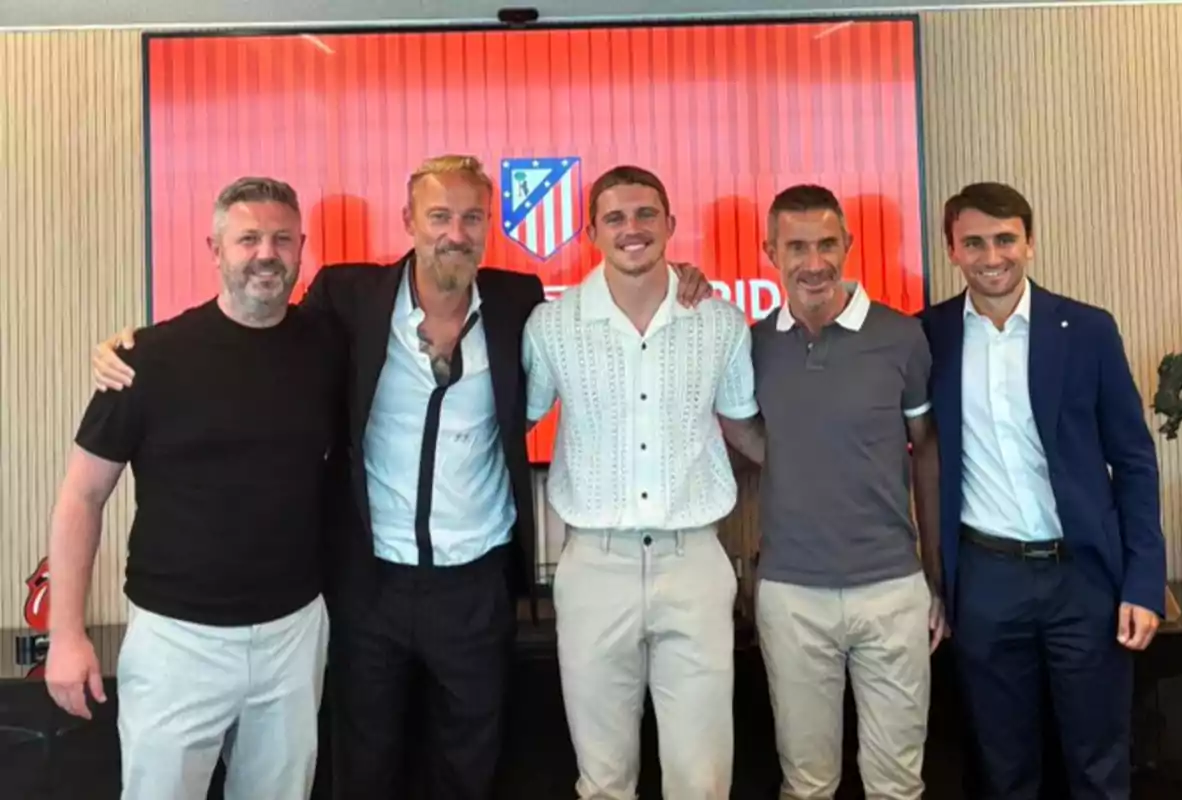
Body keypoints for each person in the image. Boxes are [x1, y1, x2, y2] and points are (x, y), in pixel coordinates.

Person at [89, 155, 712, 799]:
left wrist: (681, 279)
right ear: (408, 220)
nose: (456, 232)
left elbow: (612, 296)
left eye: (472, 217)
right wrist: (139, 345)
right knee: (364, 763)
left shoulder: (515, 299)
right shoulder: (348, 296)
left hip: (475, 585)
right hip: (369, 583)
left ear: (490, 224)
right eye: (439, 215)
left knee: (470, 764)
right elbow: (258, 327)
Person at [46, 177, 340, 800]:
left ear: (302, 248)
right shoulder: (146, 359)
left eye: (283, 238)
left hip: (293, 634)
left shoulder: (329, 346)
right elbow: (82, 495)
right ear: (214, 248)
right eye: (249, 238)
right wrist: (66, 634)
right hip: (177, 641)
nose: (267, 252)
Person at [920, 182, 1165, 799]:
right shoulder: (929, 336)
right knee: (1004, 770)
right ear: (952, 250)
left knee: (1099, 765)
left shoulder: (1086, 329)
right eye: (973, 242)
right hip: (985, 580)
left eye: (1005, 239)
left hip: (1082, 577)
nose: (991, 256)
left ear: (1030, 243)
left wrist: (1143, 581)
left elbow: (1134, 462)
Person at [522, 165, 759, 800]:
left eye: (647, 215)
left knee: (704, 778)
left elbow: (744, 430)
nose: (633, 229)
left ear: (671, 225)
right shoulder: (552, 326)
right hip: (595, 565)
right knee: (603, 780)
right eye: (616, 217)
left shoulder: (719, 322)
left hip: (696, 561)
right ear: (591, 231)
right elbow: (511, 421)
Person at [721, 184, 944, 800]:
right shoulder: (752, 343)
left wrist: (934, 577)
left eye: (826, 244)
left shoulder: (902, 337)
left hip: (892, 590)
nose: (813, 262)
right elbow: (741, 429)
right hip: (791, 595)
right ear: (769, 251)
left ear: (848, 244)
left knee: (897, 785)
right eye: (796, 246)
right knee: (808, 783)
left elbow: (923, 449)